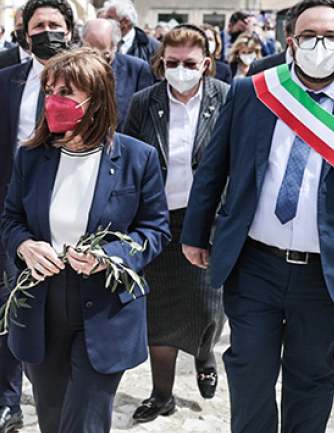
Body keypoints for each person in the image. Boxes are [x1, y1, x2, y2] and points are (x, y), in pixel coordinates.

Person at [181, 0, 334, 433]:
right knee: (249, 369)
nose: (319, 45)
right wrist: (195, 233)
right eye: (309, 35)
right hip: (255, 264)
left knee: (311, 377)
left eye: (331, 37)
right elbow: (214, 165)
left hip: (327, 272)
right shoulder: (254, 91)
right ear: (291, 41)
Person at [3, 47, 169, 433]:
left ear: (95, 100)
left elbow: (155, 230)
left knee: (85, 423)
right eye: (50, 91)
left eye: (66, 92)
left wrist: (109, 256)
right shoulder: (32, 156)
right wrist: (25, 246)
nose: (53, 100)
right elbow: (11, 220)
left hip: (106, 307)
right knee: (52, 418)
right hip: (43, 304)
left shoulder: (138, 158)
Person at [0, 0, 74, 433]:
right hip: (12, 214)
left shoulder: (89, 79)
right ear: (24, 34)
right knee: (7, 303)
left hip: (69, 212)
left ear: (70, 32)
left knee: (63, 307)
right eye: (38, 27)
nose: (47, 33)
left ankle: (61, 394)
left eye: (55, 27)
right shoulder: (2, 81)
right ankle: (8, 402)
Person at [123, 25, 229, 422]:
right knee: (160, 313)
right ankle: (162, 394)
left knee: (207, 308)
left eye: (189, 63)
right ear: (160, 63)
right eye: (172, 62)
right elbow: (128, 157)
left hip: (207, 220)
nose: (180, 70)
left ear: (206, 64)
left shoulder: (227, 98)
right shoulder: (144, 102)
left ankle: (204, 353)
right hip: (157, 221)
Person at [81, 17, 153, 128]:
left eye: (103, 55)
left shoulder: (137, 69)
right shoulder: (70, 68)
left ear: (115, 45)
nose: (95, 61)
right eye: (89, 53)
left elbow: (145, 116)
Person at [100, 0, 159, 64]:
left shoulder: (153, 47)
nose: (105, 21)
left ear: (126, 22)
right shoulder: (100, 41)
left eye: (110, 18)